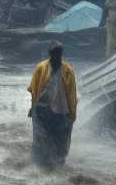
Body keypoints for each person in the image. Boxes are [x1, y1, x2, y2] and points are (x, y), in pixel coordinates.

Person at [27, 42, 78, 170]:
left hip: (61, 110)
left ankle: (57, 165)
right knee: (40, 136)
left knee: (61, 138)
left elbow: (72, 93)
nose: (56, 56)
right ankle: (37, 165)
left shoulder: (68, 71)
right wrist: (32, 108)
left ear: (61, 54)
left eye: (59, 54)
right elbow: (33, 89)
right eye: (54, 54)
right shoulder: (41, 68)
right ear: (50, 54)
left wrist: (73, 113)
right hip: (42, 109)